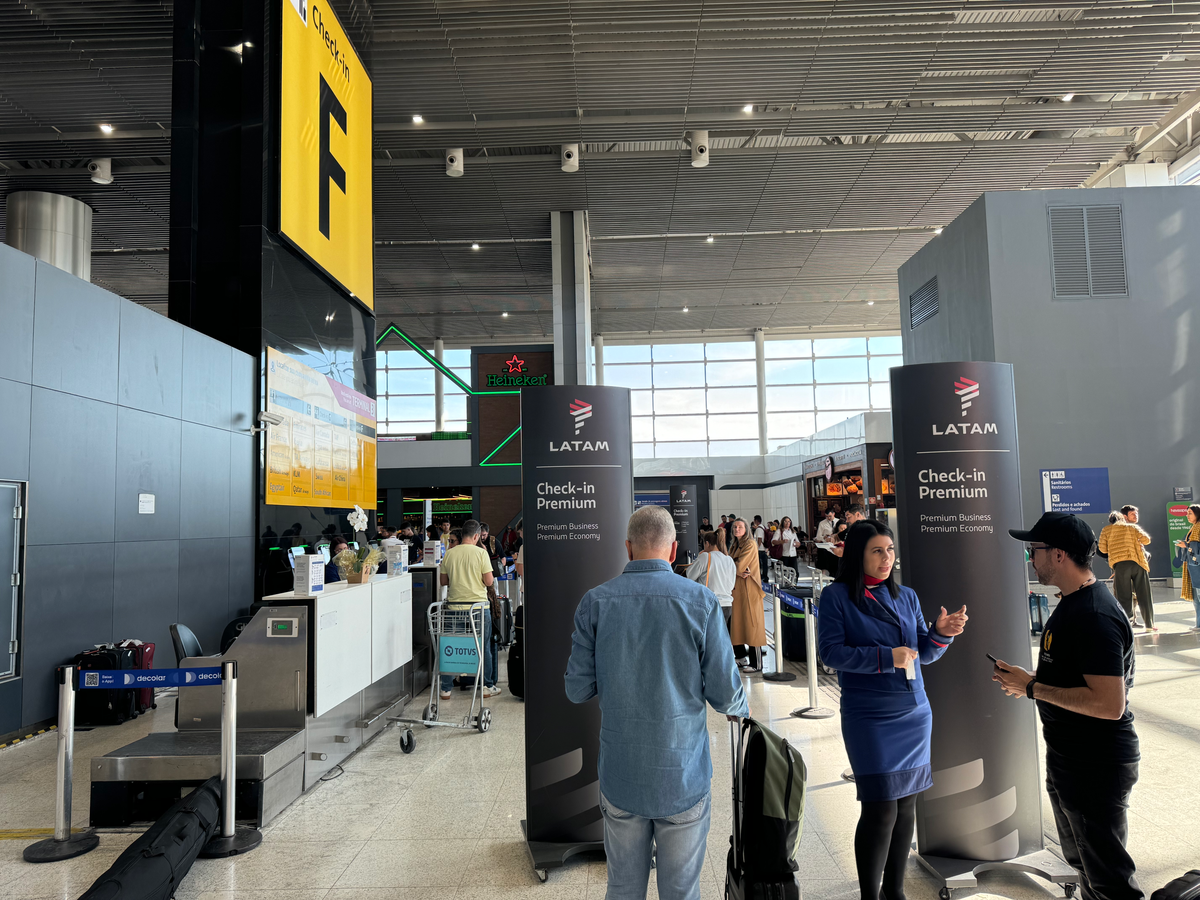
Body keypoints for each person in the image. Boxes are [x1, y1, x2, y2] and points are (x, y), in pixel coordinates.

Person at [565, 506, 749, 900]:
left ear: (628, 548)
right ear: (673, 550)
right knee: (681, 891)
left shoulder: (595, 603)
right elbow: (726, 696)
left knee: (623, 888)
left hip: (621, 774)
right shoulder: (700, 603)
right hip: (682, 773)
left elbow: (576, 689)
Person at [818, 520, 967, 900]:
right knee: (880, 809)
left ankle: (894, 891)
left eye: (890, 550)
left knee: (906, 809)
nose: (887, 558)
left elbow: (923, 654)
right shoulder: (837, 597)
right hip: (869, 714)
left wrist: (941, 633)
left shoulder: (907, 597)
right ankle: (871, 894)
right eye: (877, 551)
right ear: (858, 555)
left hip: (913, 711)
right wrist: (887, 658)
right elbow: (831, 653)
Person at [995, 513, 1141, 900]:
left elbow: (1110, 704)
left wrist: (1032, 688)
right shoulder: (1074, 603)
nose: (1031, 558)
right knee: (1085, 869)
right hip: (1071, 759)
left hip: (1095, 764)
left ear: (1058, 555)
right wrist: (1028, 681)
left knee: (1110, 880)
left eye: (1034, 550)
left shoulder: (1094, 615)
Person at [439, 519, 500, 699]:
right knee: (482, 646)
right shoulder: (481, 553)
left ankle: (446, 689)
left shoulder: (449, 554)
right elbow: (489, 582)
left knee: (451, 644)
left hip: (454, 607)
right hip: (478, 608)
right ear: (475, 536)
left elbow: (443, 581)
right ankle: (487, 686)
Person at [1098, 508, 1154, 631]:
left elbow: (1102, 549)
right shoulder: (1132, 528)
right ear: (1123, 518)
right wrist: (1138, 541)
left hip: (1120, 565)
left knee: (1123, 596)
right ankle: (1149, 625)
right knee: (1144, 594)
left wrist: (1113, 547)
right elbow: (1147, 540)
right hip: (1138, 563)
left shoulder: (1106, 530)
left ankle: (1126, 626)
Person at [728, 517, 766, 673]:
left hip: (749, 590)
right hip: (737, 591)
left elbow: (740, 565)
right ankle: (741, 657)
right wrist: (733, 566)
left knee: (752, 625)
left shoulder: (750, 544)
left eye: (740, 527)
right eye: (735, 527)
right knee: (736, 624)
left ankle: (757, 663)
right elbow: (730, 564)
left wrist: (734, 566)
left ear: (746, 529)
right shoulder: (735, 545)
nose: (737, 529)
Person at [686, 531, 737, 632]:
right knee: (721, 638)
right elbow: (732, 583)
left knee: (708, 639)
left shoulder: (706, 557)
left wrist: (699, 557)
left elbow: (689, 575)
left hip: (709, 604)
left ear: (707, 543)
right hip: (727, 604)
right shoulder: (729, 559)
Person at [1176, 504, 1200, 631]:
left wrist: (1187, 546)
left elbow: (1196, 548)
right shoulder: (1194, 528)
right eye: (1187, 513)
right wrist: (1186, 545)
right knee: (1196, 598)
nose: (1187, 515)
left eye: (1190, 513)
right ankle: (1198, 624)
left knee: (1199, 595)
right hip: (1193, 567)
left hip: (1197, 567)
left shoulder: (1198, 527)